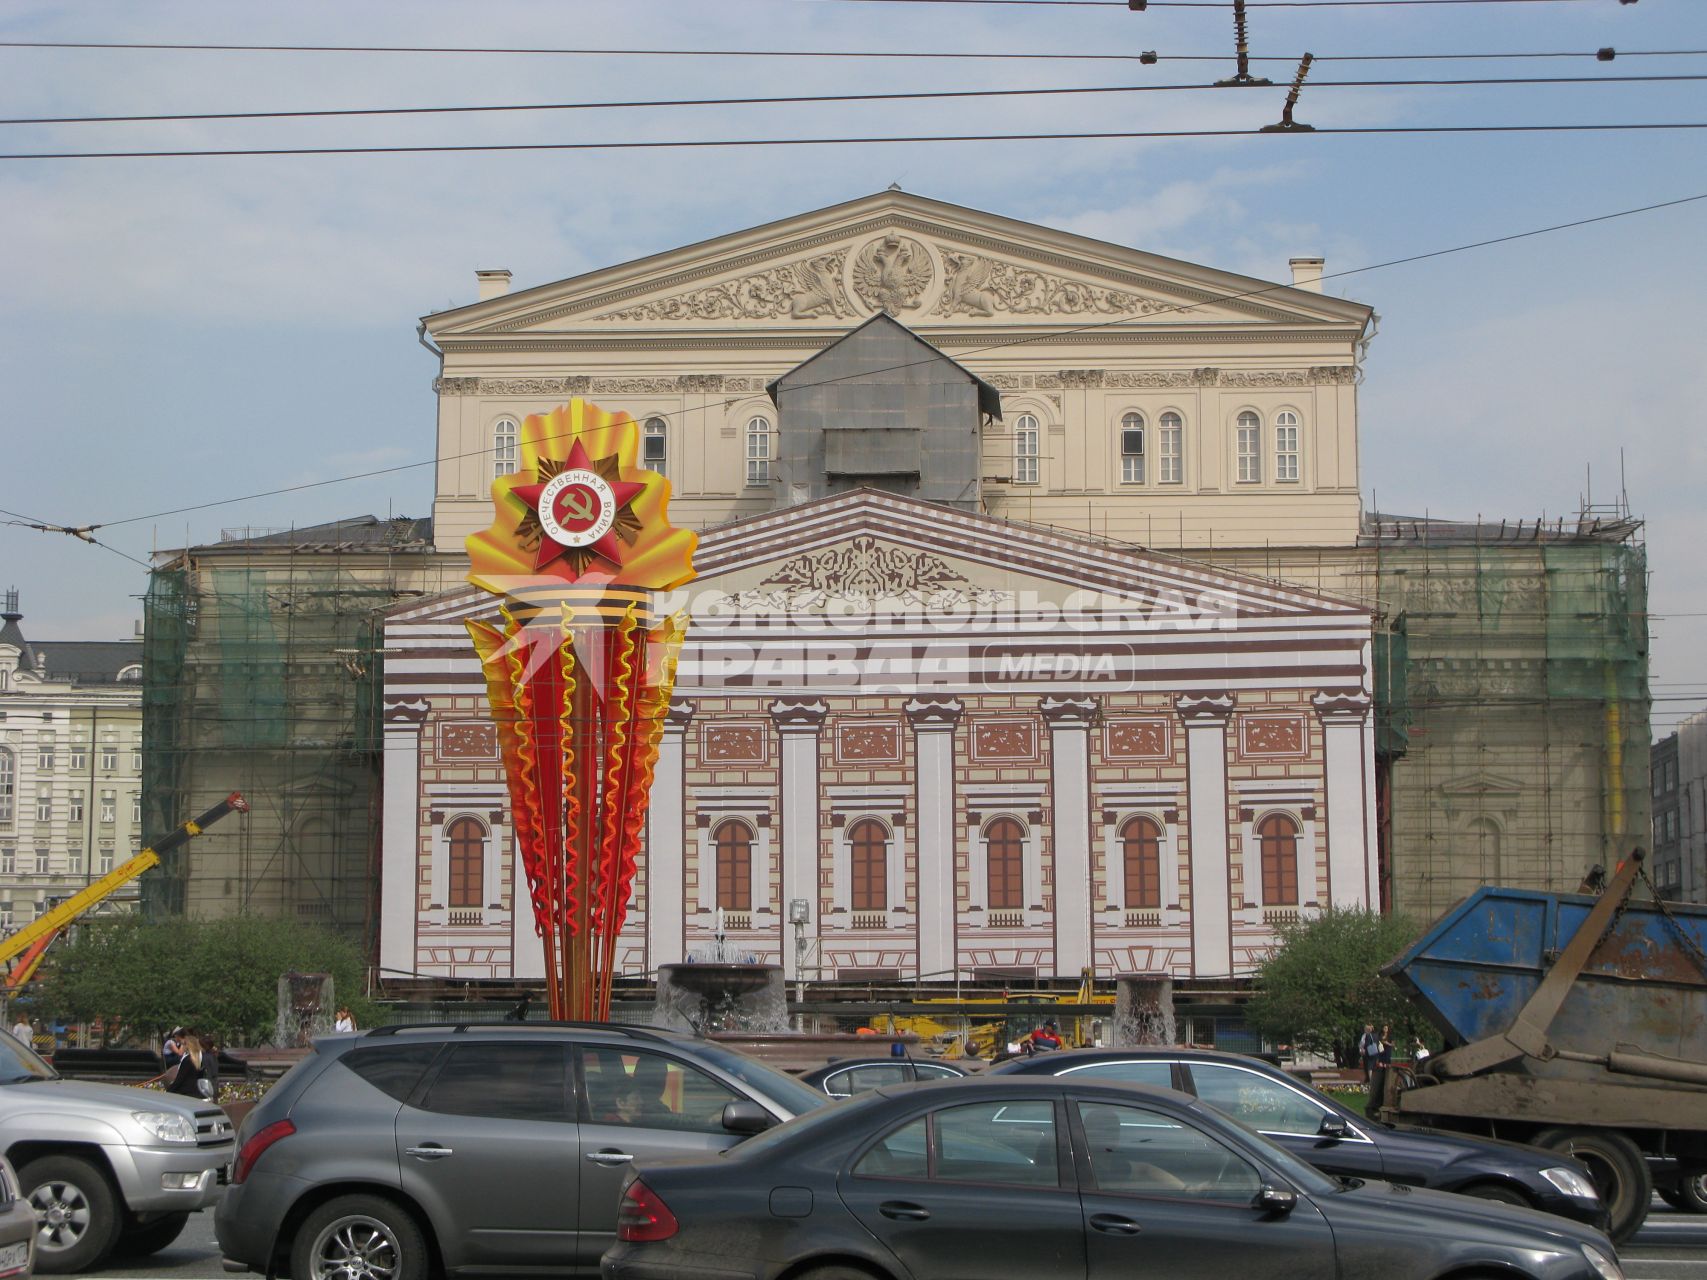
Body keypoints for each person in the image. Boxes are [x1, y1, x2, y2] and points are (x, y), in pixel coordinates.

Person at [166, 1031, 206, 1098]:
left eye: (184, 1044)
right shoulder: (199, 1059)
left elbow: (180, 1079)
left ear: (188, 1045)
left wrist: (169, 1091)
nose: (182, 1046)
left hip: (184, 1092)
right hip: (196, 1091)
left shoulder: (187, 1060)